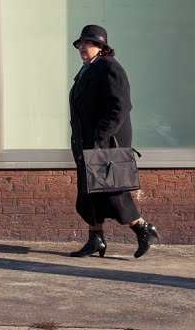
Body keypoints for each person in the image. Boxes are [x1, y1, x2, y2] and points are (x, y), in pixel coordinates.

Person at [68, 24, 159, 259]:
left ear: (101, 47)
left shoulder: (109, 67)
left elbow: (119, 106)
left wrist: (101, 135)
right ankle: (95, 239)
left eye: (88, 43)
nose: (83, 47)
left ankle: (142, 228)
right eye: (81, 44)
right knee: (89, 192)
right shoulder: (87, 70)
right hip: (87, 142)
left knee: (112, 192)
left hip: (105, 143)